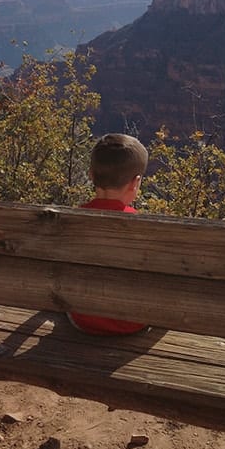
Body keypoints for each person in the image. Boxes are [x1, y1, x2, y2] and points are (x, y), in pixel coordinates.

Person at [68, 132, 149, 335]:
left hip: (81, 319)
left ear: (91, 175)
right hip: (132, 324)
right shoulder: (146, 228)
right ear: (136, 182)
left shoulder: (69, 220)